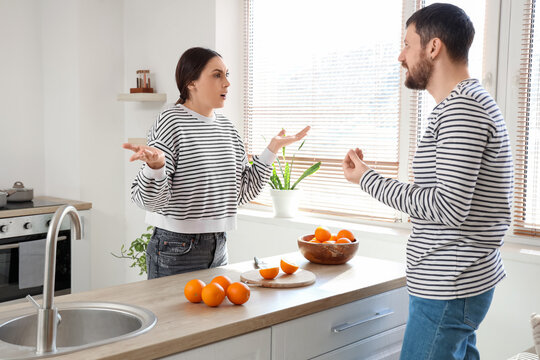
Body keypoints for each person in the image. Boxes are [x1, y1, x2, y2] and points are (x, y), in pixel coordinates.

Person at [342, 4, 513, 360]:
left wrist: (367, 180)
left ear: (433, 48)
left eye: (407, 44)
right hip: (454, 280)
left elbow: (447, 206)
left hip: (450, 284)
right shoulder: (464, 105)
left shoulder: (462, 110)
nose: (400, 55)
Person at [123, 47, 309, 279]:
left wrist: (272, 150)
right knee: (177, 317)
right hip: (176, 248)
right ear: (191, 82)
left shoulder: (228, 129)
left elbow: (241, 193)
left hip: (219, 245)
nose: (227, 83)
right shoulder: (171, 121)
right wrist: (156, 167)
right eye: (217, 75)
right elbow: (150, 201)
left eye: (227, 75)